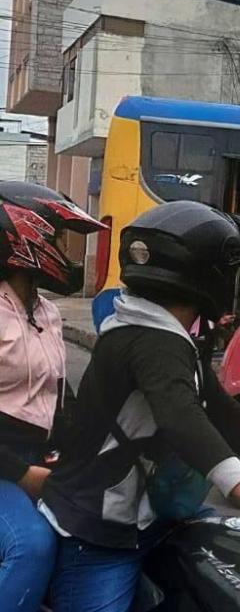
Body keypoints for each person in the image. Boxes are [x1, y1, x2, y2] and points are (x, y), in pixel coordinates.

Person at [41, 201, 240, 612]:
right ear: (208, 275)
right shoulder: (151, 341)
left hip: (149, 520)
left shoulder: (162, 335)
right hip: (97, 533)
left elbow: (224, 413)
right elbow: (181, 417)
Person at [0, 182, 105, 612]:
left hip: (39, 460)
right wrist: (21, 472)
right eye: (60, 239)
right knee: (32, 547)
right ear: (28, 237)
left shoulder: (46, 312)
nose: (67, 251)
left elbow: (63, 400)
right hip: (7, 464)